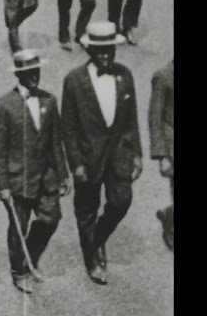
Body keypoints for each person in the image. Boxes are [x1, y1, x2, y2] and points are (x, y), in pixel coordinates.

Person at [61, 22, 143, 285]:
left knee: (121, 202)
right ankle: (91, 258)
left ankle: (97, 238)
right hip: (88, 157)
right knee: (86, 208)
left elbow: (131, 119)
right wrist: (76, 164)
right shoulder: (74, 80)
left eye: (110, 49)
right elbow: (69, 128)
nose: (106, 55)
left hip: (119, 154)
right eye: (100, 50)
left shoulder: (125, 75)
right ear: (90, 50)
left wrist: (138, 154)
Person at [0, 49, 69, 295]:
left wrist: (63, 173)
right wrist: (2, 185)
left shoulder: (49, 100)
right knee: (18, 227)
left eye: (36, 71)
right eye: (28, 73)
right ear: (19, 75)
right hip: (18, 180)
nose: (34, 76)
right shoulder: (4, 106)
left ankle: (30, 256)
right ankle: (18, 270)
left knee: (51, 218)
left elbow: (56, 140)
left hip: (46, 177)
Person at [148, 59, 174, 251]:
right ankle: (171, 228)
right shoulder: (163, 76)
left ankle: (169, 213)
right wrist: (162, 155)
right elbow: (155, 118)